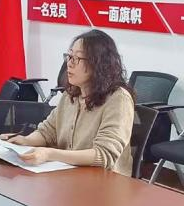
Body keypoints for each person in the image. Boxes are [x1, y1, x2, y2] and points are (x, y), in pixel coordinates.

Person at [9, 29, 135, 174]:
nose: (69, 64)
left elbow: (103, 155)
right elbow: (48, 132)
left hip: (105, 181)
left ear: (98, 64)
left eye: (77, 58)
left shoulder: (119, 99)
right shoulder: (71, 94)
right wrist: (26, 141)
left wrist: (50, 154)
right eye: (69, 56)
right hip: (69, 175)